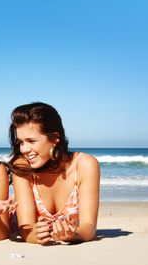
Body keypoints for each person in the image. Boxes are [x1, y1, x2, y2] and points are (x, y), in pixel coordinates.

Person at [8, 102, 100, 244]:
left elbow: (89, 227)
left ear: (55, 139)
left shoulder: (85, 165)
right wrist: (35, 236)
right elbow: (26, 228)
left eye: (31, 141)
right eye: (21, 142)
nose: (24, 149)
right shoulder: (22, 167)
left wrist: (74, 236)